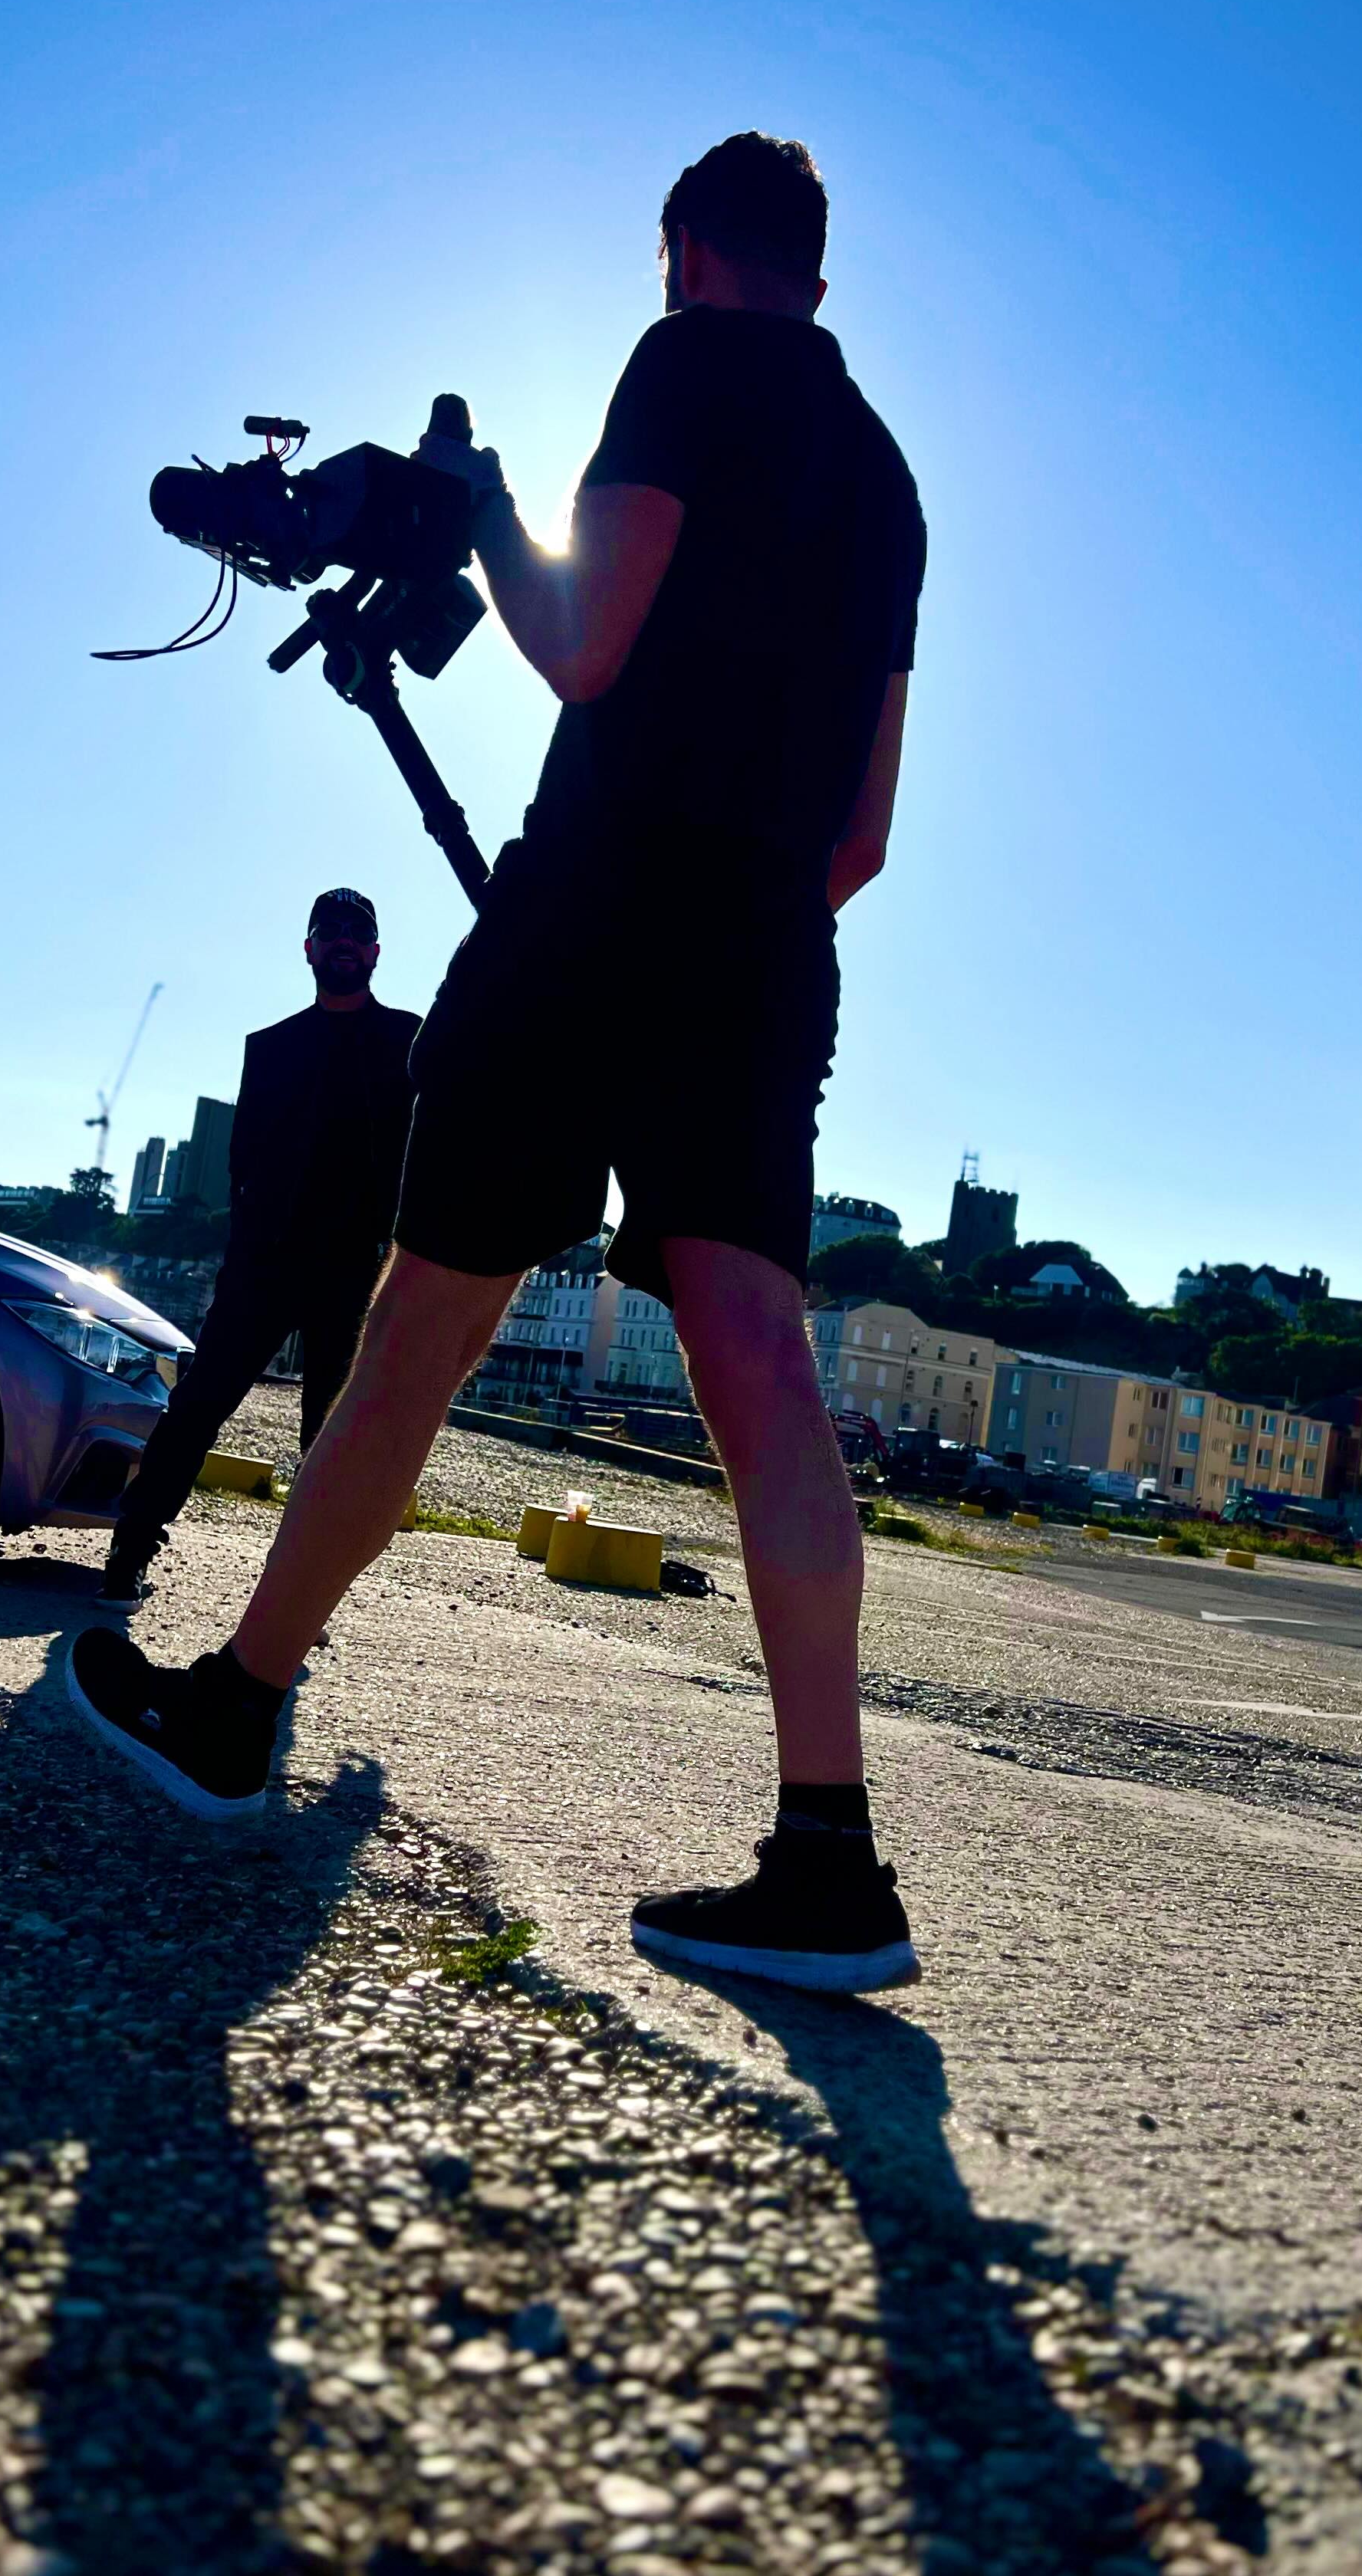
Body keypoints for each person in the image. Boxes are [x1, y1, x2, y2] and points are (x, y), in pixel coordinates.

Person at [71, 132, 928, 1997]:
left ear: (689, 250)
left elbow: (581, 642)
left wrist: (483, 507)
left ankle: (238, 1706)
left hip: (594, 918)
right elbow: (865, 835)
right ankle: (831, 1862)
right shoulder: (891, 484)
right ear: (820, 266)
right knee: (760, 1372)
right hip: (772, 948)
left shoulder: (685, 359)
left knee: (425, 1327)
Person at [95, 888, 419, 1613]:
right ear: (308, 949)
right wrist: (243, 1257)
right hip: (265, 1262)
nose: (343, 941)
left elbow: (429, 1151)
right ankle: (129, 1550)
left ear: (374, 952)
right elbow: (243, 1164)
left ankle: (301, 1598)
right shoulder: (269, 1048)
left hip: (357, 1269)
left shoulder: (408, 1040)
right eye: (328, 931)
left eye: (357, 933)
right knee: (199, 1406)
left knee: (331, 1436)